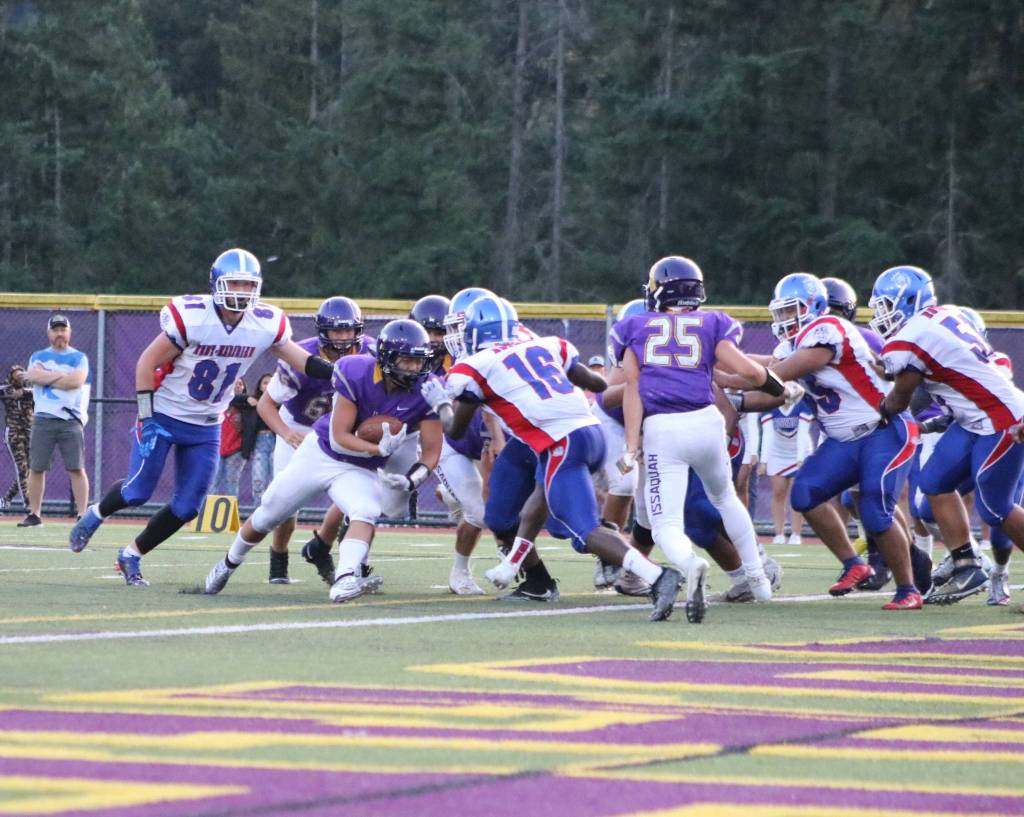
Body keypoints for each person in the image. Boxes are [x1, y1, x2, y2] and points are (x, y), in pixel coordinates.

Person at [68, 248, 334, 587]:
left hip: (207, 424)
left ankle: (131, 555)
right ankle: (95, 514)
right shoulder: (192, 317)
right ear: (216, 285)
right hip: (164, 415)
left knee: (187, 506)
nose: (240, 292)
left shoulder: (265, 322)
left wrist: (338, 373)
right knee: (137, 491)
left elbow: (301, 359)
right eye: (233, 284)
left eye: (247, 285)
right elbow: (145, 364)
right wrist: (148, 418)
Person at [426, 293, 685, 622]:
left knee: (582, 531)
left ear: (475, 330)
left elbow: (456, 430)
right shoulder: (543, 343)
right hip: (577, 434)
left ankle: (655, 575)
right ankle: (537, 582)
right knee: (501, 516)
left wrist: (441, 404)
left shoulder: (474, 366)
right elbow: (596, 382)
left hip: (561, 442)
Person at [204, 319, 441, 603]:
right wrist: (378, 450)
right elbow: (340, 436)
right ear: (387, 358)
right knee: (270, 512)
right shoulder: (354, 370)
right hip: (322, 453)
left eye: (419, 362)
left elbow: (431, 451)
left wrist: (411, 478)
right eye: (407, 361)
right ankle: (229, 562)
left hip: (359, 467)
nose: (415, 369)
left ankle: (345, 578)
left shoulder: (428, 388)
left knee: (366, 509)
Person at [613, 256, 780, 620]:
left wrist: (630, 445)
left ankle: (690, 565)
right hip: (707, 423)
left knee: (666, 524)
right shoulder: (713, 322)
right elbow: (748, 371)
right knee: (725, 498)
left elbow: (632, 388)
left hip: (664, 429)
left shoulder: (634, 326)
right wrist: (776, 383)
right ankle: (757, 579)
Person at [767, 271, 922, 610]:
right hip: (845, 440)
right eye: (779, 312)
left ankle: (909, 588)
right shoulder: (790, 346)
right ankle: (855, 564)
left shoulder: (828, 330)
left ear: (814, 307)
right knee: (805, 492)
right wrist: (722, 379)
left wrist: (725, 371)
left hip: (883, 428)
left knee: (875, 511)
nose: (783, 320)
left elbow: (773, 375)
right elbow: (771, 386)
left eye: (790, 310)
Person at [873, 266, 1024, 605]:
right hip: (973, 418)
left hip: (1001, 419)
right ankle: (967, 564)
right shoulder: (947, 314)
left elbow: (901, 399)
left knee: (995, 508)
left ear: (909, 300)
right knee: (935, 480)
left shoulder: (910, 336)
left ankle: (974, 563)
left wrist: (877, 411)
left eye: (886, 305)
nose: (882, 315)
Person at [258, 296, 373, 584]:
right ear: (323, 331)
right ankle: (278, 559)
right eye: (338, 331)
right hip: (300, 428)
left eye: (349, 330)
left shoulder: (371, 351)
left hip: (343, 433)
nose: (345, 337)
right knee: (285, 504)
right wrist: (286, 434)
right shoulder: (301, 357)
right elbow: (265, 404)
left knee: (359, 500)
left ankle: (348, 561)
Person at [20, 314, 90, 526]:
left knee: (76, 468)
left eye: (63, 329)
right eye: (55, 329)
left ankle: (82, 514)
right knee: (37, 467)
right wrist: (61, 377)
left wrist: (48, 375)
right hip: (43, 419)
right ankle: (35, 514)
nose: (60, 333)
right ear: (49, 332)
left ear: (69, 332)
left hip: (71, 420)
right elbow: (31, 377)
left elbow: (75, 382)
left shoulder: (79, 357)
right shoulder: (38, 356)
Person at [758, 395, 815, 544]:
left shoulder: (802, 406)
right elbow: (768, 435)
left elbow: (803, 434)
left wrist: (801, 458)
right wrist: (763, 461)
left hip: (799, 452)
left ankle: (796, 534)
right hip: (777, 453)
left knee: (796, 493)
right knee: (778, 492)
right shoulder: (769, 406)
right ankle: (779, 534)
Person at [0, 365, 33, 511]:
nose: (19, 377)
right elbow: (8, 392)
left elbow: (40, 392)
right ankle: (29, 504)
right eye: (16, 375)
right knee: (22, 468)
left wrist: (25, 391)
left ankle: (6, 499)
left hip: (30, 432)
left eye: (21, 375)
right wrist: (15, 392)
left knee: (31, 470)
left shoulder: (32, 390)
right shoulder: (7, 389)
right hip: (14, 434)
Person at [244, 373, 275, 506]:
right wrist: (249, 400)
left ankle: (275, 512)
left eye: (271, 382)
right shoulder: (253, 401)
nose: (268, 386)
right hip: (260, 443)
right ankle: (258, 510)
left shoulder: (280, 402)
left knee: (277, 478)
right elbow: (234, 398)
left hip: (276, 442)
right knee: (258, 480)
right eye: (265, 383)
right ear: (260, 386)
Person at [212, 378, 247, 496]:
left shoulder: (246, 407)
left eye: (240, 384)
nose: (238, 386)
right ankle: (208, 512)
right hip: (217, 449)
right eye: (235, 383)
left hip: (235, 450)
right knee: (212, 481)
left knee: (232, 482)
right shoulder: (219, 404)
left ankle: (230, 512)